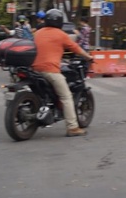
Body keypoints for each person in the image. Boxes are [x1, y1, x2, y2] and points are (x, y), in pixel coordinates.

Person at [31, 9, 93, 137]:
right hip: (50, 70)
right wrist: (88, 57)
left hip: (34, 69)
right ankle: (72, 127)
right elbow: (75, 48)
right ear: (59, 22)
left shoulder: (38, 33)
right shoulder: (60, 34)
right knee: (66, 96)